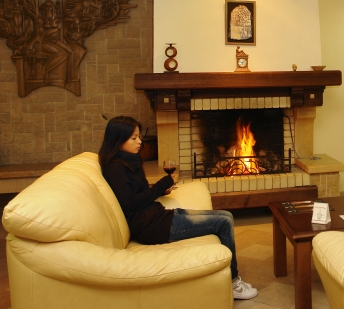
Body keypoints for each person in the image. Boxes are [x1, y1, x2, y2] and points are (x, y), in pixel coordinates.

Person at [99, 115, 258, 300]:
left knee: (226, 216)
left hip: (157, 217)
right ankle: (233, 283)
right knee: (224, 222)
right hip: (151, 227)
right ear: (118, 139)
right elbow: (130, 203)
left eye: (139, 136)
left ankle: (231, 279)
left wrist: (160, 190)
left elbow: (137, 195)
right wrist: (161, 184)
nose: (140, 141)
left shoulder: (128, 161)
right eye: (134, 138)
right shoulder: (115, 168)